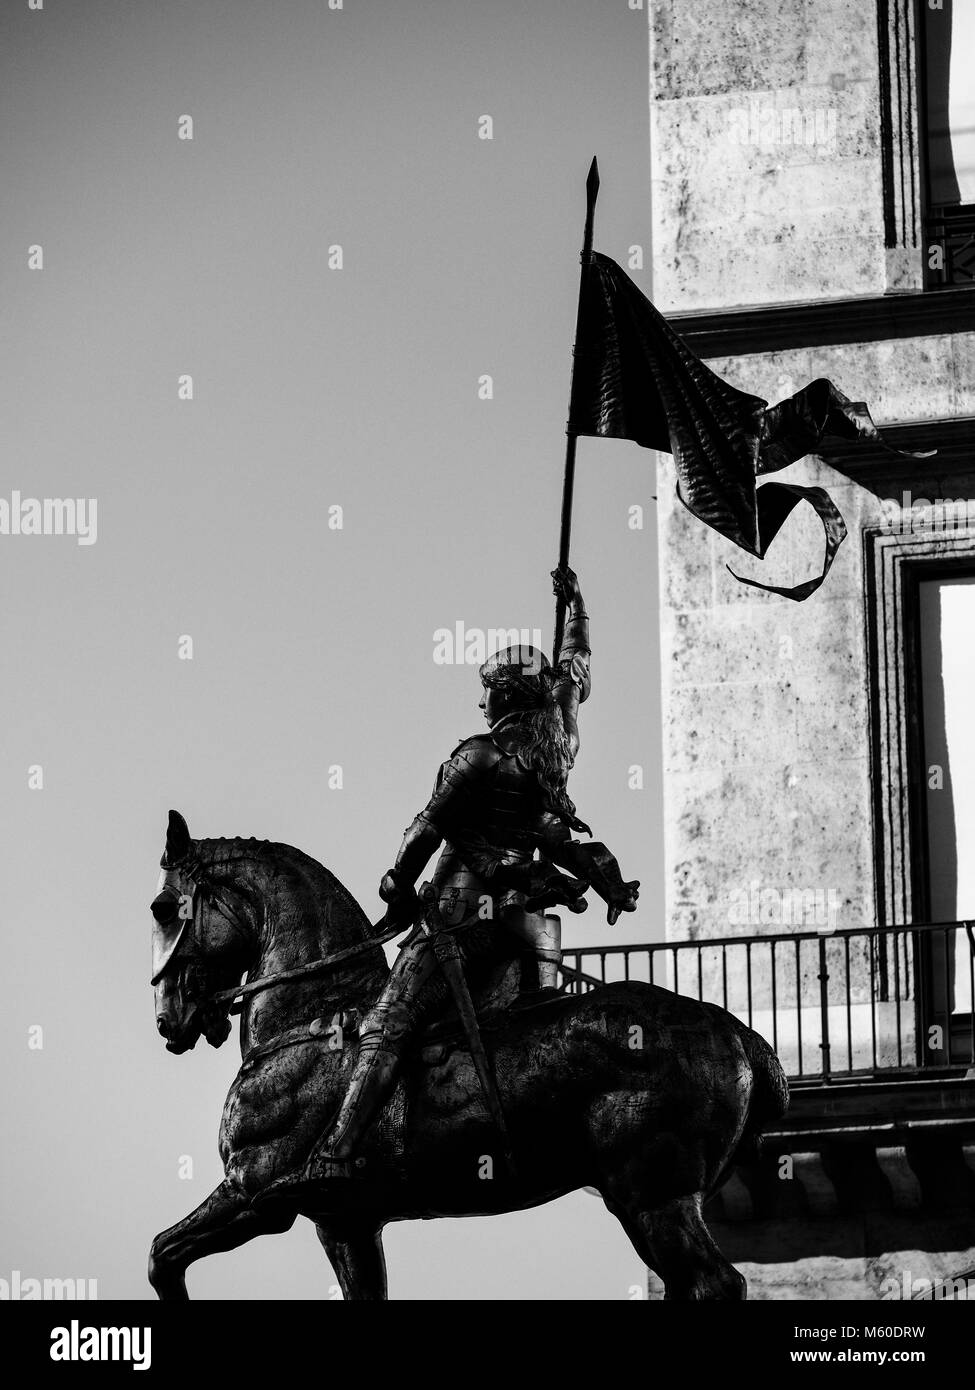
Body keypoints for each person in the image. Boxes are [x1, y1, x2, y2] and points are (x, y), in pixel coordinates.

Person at [257, 567, 638, 1203]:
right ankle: (532, 1009)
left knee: (388, 1018)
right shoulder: (560, 743)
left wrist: (393, 883)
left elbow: (426, 829)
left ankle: (338, 1150)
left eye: (488, 691)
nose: (481, 703)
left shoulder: (478, 757)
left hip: (464, 915)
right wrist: (576, 610)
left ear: (506, 699)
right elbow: (574, 675)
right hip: (528, 921)